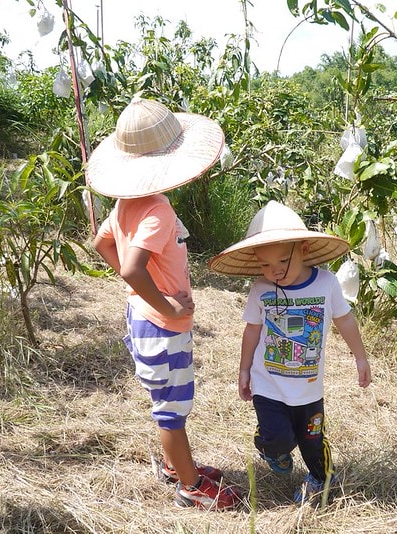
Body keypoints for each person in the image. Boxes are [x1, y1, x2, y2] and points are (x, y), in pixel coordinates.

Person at [88, 96, 241, 510]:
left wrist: (145, 292)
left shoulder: (127, 203)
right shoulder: (156, 211)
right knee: (171, 410)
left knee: (168, 402)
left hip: (144, 319)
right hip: (161, 326)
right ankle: (191, 487)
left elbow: (102, 243)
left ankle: (177, 466)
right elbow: (131, 268)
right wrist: (168, 305)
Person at [208, 200, 372, 504]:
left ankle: (321, 477)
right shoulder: (261, 289)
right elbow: (252, 330)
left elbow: (345, 320)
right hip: (267, 383)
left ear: (304, 249)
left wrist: (360, 357)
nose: (275, 271)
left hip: (308, 389)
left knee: (312, 440)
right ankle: (271, 447)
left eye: (283, 261)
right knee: (277, 438)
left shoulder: (326, 284)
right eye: (265, 265)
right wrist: (244, 370)